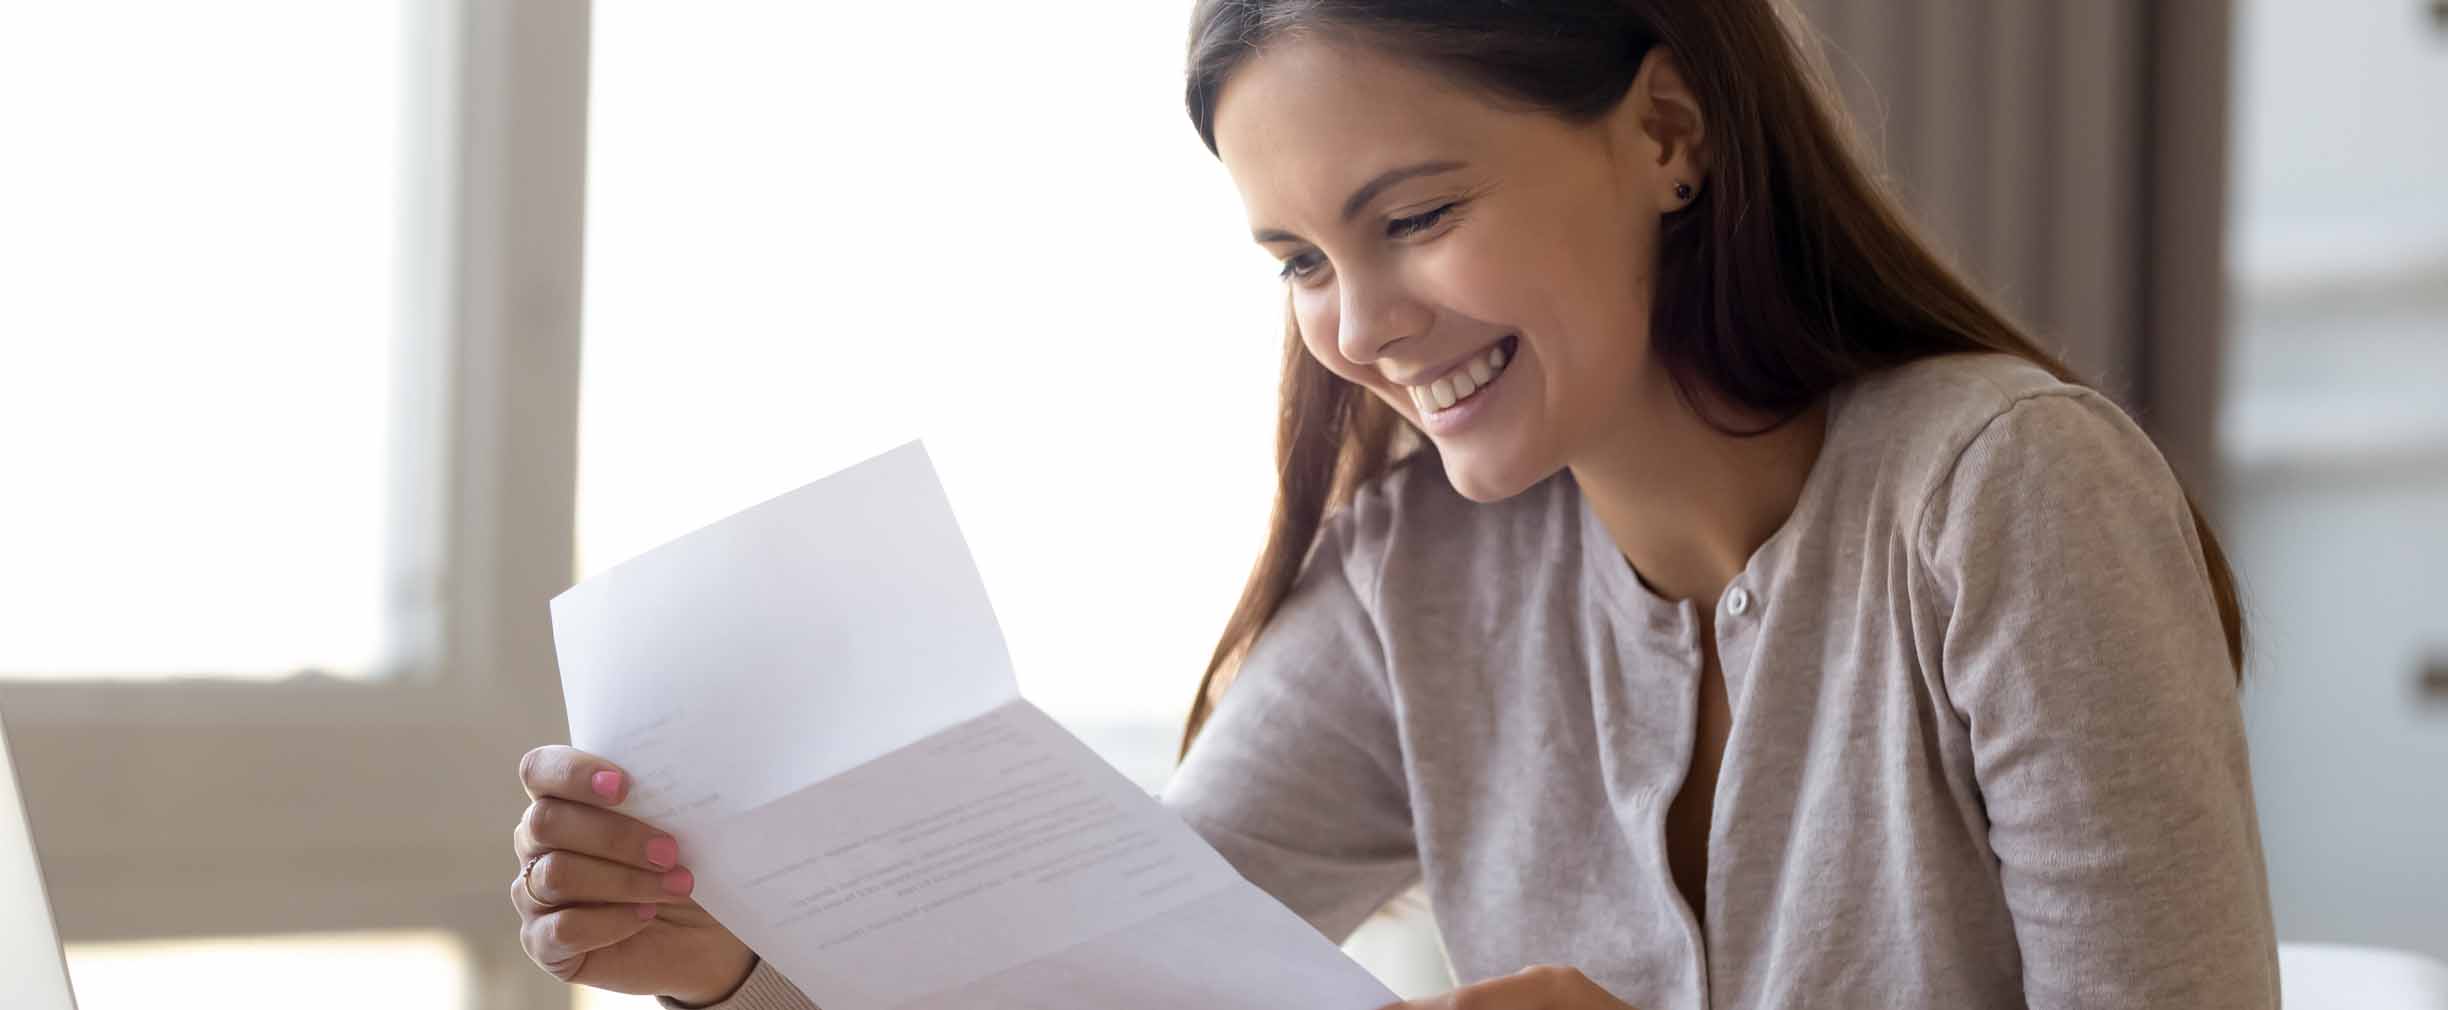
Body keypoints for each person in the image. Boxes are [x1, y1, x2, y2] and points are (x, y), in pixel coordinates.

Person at [508, 2, 2279, 1007]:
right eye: (1296, 258)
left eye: (1415, 216)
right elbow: (1107, 979)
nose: (1357, 328)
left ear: (1668, 134)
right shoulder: (1415, 577)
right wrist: (736, 960)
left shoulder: (1999, 497)